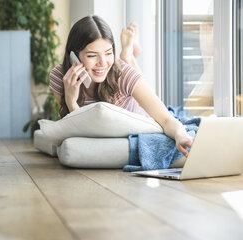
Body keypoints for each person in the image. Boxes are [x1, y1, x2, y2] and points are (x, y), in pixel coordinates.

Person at [49, 15, 193, 157]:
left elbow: (166, 119)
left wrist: (180, 134)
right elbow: (74, 137)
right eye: (92, 55)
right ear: (73, 56)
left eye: (108, 53)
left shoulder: (123, 74)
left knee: (143, 93)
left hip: (142, 118)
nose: (103, 63)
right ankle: (128, 55)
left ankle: (128, 56)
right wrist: (71, 101)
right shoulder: (59, 77)